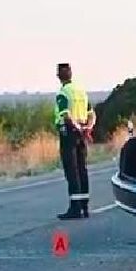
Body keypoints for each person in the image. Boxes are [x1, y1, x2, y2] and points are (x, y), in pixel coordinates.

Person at [54, 63, 94, 219]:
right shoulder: (81, 91)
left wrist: (77, 128)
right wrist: (88, 128)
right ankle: (84, 207)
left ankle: (75, 208)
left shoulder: (63, 93)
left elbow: (65, 115)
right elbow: (91, 114)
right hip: (82, 133)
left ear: (59, 76)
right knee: (82, 169)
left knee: (72, 170)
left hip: (69, 134)